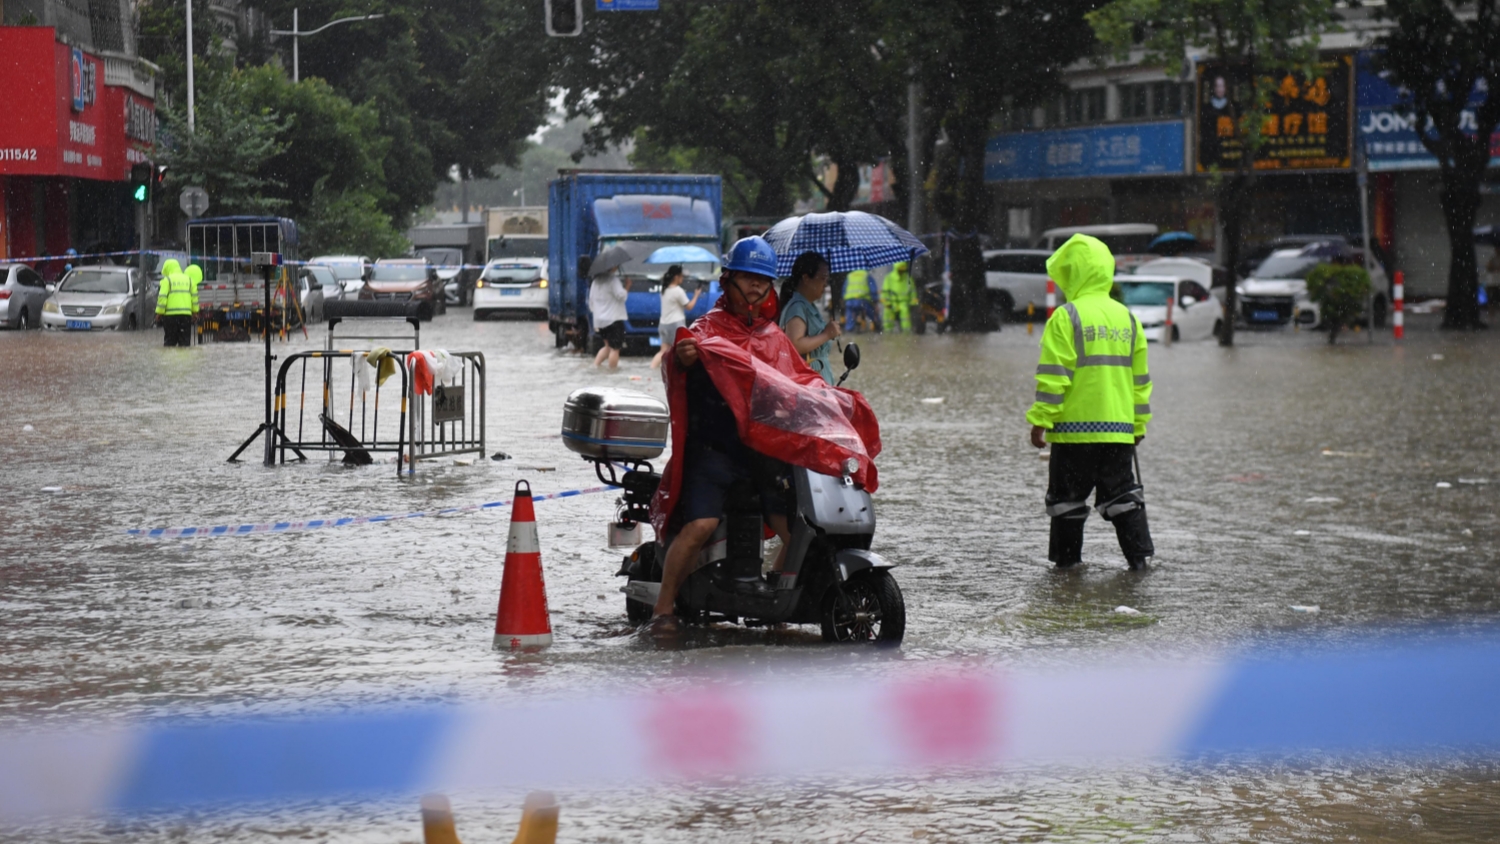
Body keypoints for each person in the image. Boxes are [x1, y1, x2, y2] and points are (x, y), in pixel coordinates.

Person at [647, 236, 881, 634]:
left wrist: (835, 401)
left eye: (763, 280)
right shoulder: (705, 330)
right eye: (748, 278)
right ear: (729, 279)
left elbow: (800, 382)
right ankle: (663, 607)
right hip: (714, 451)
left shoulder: (774, 337)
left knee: (799, 531)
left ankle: (777, 603)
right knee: (701, 526)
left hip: (762, 452)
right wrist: (683, 358)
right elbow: (676, 363)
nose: (756, 287)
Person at [1026, 234, 1154, 570]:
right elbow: (1140, 382)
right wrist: (1138, 425)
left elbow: (1054, 375)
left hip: (1072, 434)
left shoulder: (1067, 317)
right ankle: (1139, 564)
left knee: (1066, 504)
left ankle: (1067, 572)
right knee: (1124, 499)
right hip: (1118, 433)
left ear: (1073, 274)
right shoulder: (1128, 319)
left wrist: (1041, 419)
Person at [778, 251, 842, 385]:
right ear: (806, 278)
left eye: (827, 279)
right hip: (809, 386)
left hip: (818, 381)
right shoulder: (797, 307)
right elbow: (795, 345)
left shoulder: (809, 306)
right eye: (822, 278)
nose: (825, 284)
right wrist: (826, 334)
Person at [652, 264, 701, 370]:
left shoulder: (664, 289)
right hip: (676, 325)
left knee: (663, 351)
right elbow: (689, 306)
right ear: (676, 277)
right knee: (679, 353)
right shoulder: (678, 291)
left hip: (663, 324)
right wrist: (696, 295)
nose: (682, 279)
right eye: (681, 276)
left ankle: (652, 368)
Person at [588, 264, 630, 370]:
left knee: (607, 346)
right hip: (613, 319)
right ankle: (612, 372)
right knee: (615, 349)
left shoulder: (595, 282)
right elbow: (621, 296)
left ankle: (595, 366)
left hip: (600, 321)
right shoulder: (613, 280)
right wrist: (628, 286)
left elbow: (591, 302)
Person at [154, 259, 197, 347]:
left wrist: (159, 313)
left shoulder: (167, 280)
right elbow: (194, 298)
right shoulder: (189, 280)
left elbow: (162, 298)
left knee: (170, 343)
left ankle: (170, 360)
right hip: (186, 316)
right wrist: (195, 312)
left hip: (170, 317)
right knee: (185, 344)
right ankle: (185, 360)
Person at [881, 260, 916, 333]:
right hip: (892, 303)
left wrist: (913, 303)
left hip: (904, 303)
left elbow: (913, 292)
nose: (901, 272)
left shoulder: (908, 278)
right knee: (887, 313)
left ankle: (906, 332)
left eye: (903, 270)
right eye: (900, 270)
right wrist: (887, 303)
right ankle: (887, 332)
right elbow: (884, 293)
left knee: (905, 311)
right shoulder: (888, 278)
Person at [843, 268, 878, 332]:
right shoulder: (866, 275)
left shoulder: (849, 275)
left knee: (850, 317)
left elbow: (844, 290)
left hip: (850, 301)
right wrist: (875, 301)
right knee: (872, 314)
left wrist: (844, 299)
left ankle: (849, 330)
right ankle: (877, 326)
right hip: (862, 300)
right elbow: (873, 290)